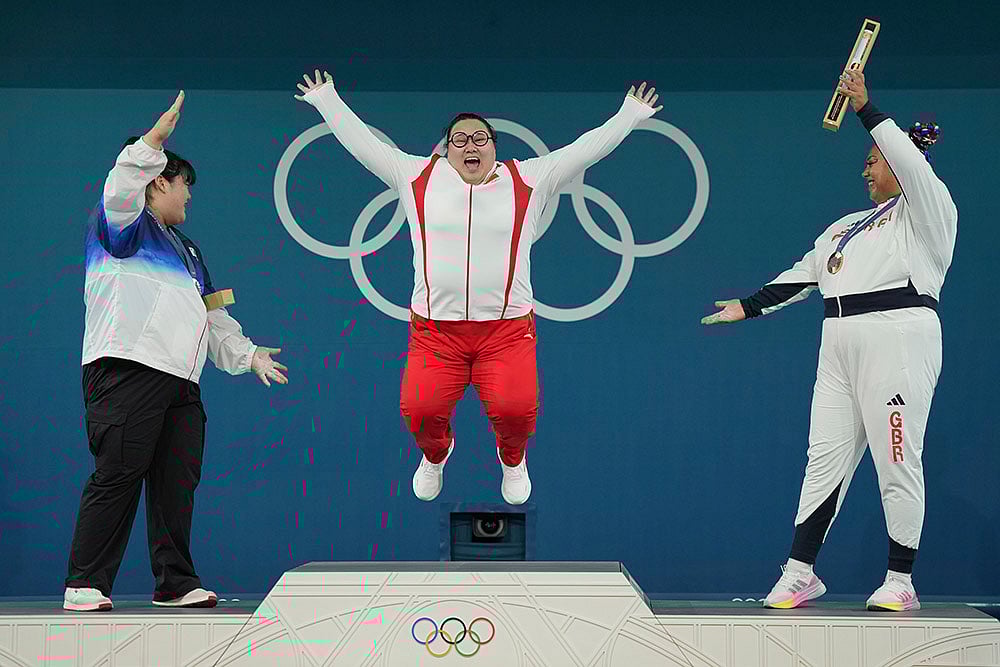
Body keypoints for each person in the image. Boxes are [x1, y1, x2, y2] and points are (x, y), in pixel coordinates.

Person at [295, 69, 661, 505]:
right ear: (446, 150)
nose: (470, 145)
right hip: (435, 333)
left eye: (480, 138)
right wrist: (327, 99)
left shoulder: (529, 178)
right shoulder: (415, 177)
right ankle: (436, 455)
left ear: (494, 147)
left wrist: (629, 115)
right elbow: (363, 144)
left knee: (516, 412)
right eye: (460, 139)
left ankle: (513, 459)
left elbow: (585, 150)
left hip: (506, 333)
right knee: (421, 413)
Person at [702, 70, 956, 611]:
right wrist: (745, 306)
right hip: (838, 344)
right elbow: (803, 275)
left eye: (874, 158)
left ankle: (901, 581)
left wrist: (867, 109)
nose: (865, 167)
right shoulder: (845, 226)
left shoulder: (930, 213)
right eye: (865, 158)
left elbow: (911, 163)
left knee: (896, 457)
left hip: (899, 337)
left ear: (904, 160)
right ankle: (799, 573)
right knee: (824, 459)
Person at [64, 91, 289, 612]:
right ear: (158, 180)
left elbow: (212, 317)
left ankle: (174, 583)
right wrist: (151, 144)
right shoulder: (119, 224)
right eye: (184, 185)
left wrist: (248, 354)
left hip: (181, 384)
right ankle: (85, 583)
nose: (190, 197)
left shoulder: (189, 250)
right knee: (119, 473)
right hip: (126, 369)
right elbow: (121, 187)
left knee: (175, 486)